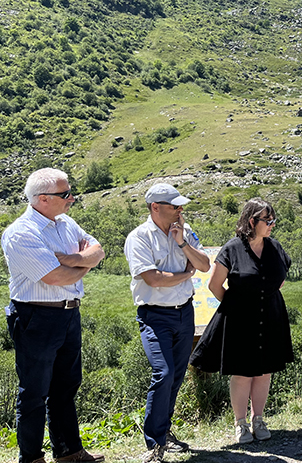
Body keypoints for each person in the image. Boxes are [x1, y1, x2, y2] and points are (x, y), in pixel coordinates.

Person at [2, 168, 105, 463]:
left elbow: (97, 250)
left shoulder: (65, 223)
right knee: (34, 391)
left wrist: (74, 260)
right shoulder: (21, 233)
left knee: (66, 386)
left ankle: (69, 451)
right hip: (36, 316)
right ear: (43, 199)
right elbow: (56, 277)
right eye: (65, 194)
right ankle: (31, 457)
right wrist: (84, 264)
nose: (72, 198)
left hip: (69, 313)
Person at [189, 199, 294, 443]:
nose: (272, 225)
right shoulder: (232, 248)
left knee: (264, 371)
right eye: (267, 221)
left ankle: (258, 419)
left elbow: (281, 278)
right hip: (240, 319)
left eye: (272, 220)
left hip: (270, 315)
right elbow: (214, 285)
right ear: (251, 221)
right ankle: (241, 424)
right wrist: (237, 303)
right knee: (243, 373)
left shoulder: (275, 247)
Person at [124, 183, 210, 463]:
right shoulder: (139, 238)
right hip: (155, 315)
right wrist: (186, 274)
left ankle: (164, 433)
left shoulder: (184, 231)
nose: (180, 210)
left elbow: (205, 265)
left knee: (176, 375)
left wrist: (183, 242)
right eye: (174, 206)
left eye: (180, 205)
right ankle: (154, 442)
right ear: (155, 207)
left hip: (184, 313)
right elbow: (153, 279)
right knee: (163, 373)